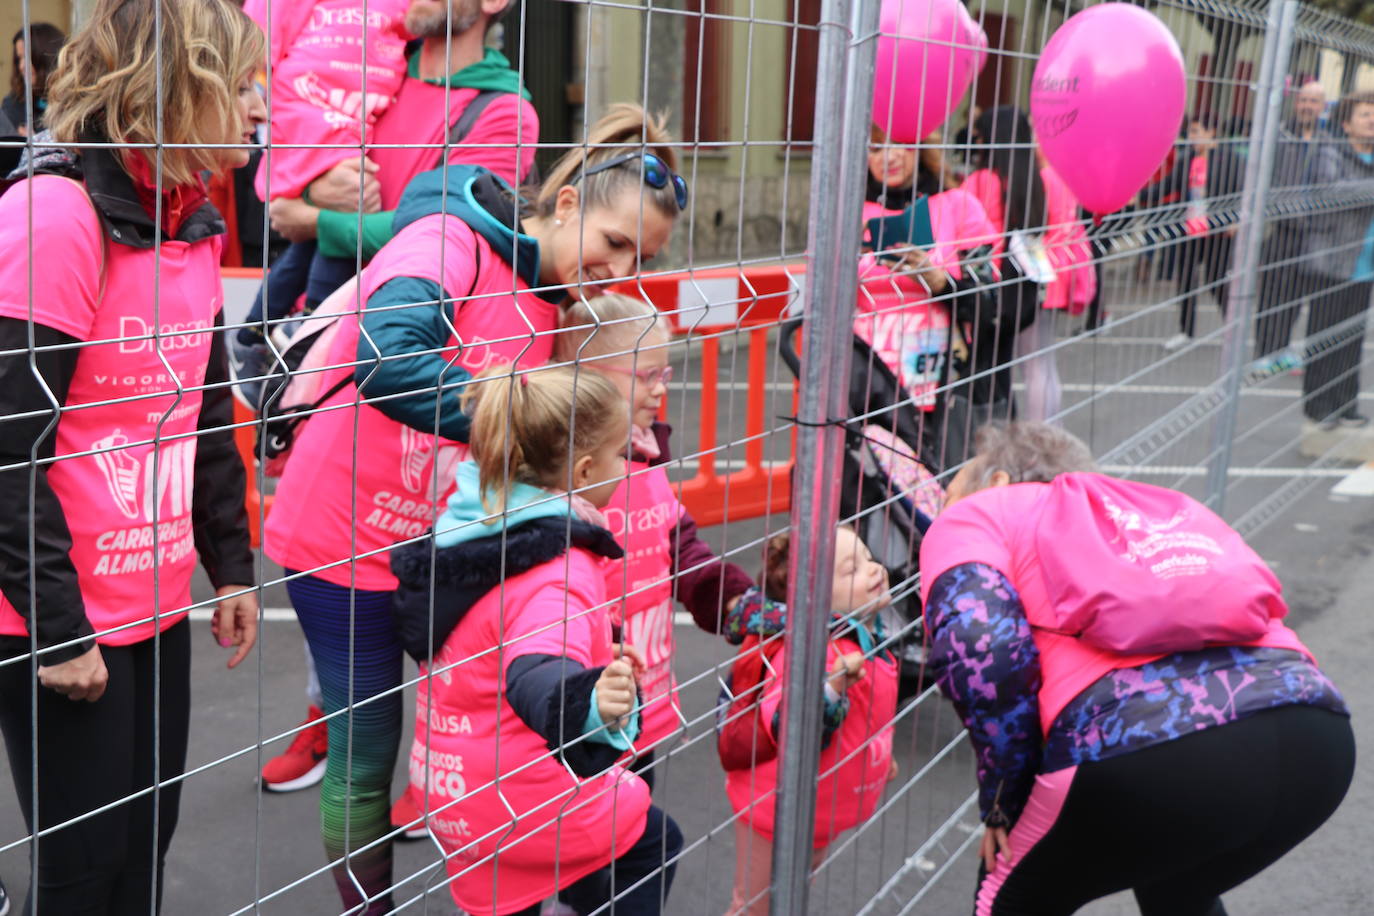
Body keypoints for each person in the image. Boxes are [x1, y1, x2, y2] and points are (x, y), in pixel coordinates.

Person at [260, 104, 685, 913]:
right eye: (616, 242)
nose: (621, 268)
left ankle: (506, 884)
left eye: (644, 257)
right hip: (341, 538)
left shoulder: (553, 291)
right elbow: (390, 359)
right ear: (565, 205)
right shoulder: (451, 240)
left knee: (476, 734)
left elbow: (595, 394)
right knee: (369, 745)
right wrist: (525, 417)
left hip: (440, 549)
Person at [0, 1, 264, 911]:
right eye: (238, 83)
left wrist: (230, 567)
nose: (258, 101)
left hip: (152, 604)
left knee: (141, 853)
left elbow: (200, 409)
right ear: (176, 92)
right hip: (56, 617)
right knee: (80, 876)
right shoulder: (56, 215)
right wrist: (58, 629)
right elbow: (6, 451)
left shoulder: (191, 219)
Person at [919, 422, 1354, 915]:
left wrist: (1004, 797)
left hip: (1149, 749)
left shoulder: (980, 514)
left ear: (995, 480)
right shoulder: (1142, 507)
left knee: (1009, 897)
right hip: (1315, 735)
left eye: (947, 491)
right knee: (1177, 886)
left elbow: (983, 653)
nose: (940, 505)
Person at [390, 363, 683, 916]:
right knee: (653, 844)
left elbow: (498, 642)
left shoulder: (470, 530)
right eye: (623, 453)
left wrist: (593, 653)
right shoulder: (561, 569)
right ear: (587, 468)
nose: (630, 463)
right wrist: (586, 699)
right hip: (530, 801)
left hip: (455, 792)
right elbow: (534, 669)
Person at [232, 0, 538, 407]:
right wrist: (310, 191)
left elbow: (445, 233)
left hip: (403, 355)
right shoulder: (376, 74)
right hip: (307, 344)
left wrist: (313, 220)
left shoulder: (505, 112)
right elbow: (311, 148)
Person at [553, 294, 755, 771]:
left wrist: (732, 600)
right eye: (646, 376)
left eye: (664, 374)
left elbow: (678, 545)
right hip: (589, 704)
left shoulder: (645, 450)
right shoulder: (561, 476)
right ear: (589, 376)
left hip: (645, 698)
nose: (660, 390)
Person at [721, 527, 899, 916]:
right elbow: (787, 724)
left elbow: (872, 712)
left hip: (817, 811)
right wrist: (832, 687)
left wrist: (883, 754)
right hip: (776, 813)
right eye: (852, 570)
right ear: (813, 598)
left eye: (868, 557)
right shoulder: (809, 650)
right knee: (757, 906)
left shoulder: (866, 635)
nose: (874, 570)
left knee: (791, 892)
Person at [859, 124, 1000, 467]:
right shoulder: (846, 211)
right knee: (868, 502)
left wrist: (940, 283)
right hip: (866, 387)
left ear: (922, 147)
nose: (888, 157)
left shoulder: (958, 206)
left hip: (942, 388)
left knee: (942, 500)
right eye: (876, 148)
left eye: (901, 145)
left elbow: (992, 297)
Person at [963, 107, 1095, 424]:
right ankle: (1049, 433)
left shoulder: (982, 181)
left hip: (997, 284)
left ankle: (1034, 436)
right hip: (1038, 276)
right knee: (1041, 364)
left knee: (1004, 366)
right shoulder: (1041, 178)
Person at [1299, 91, 1374, 429]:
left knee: (1352, 338)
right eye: (1364, 114)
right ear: (1346, 124)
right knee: (1324, 336)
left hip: (1364, 265)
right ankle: (1318, 405)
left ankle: (1346, 403)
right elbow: (1331, 192)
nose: (1371, 120)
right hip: (1332, 263)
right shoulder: (1330, 152)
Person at [1254, 80, 1333, 369]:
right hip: (1280, 229)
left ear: (1322, 107)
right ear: (1295, 103)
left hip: (1313, 233)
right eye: (1303, 101)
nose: (1307, 107)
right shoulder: (1278, 136)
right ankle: (1265, 352)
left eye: (1314, 102)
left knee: (1296, 295)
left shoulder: (1328, 141)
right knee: (1272, 294)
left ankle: (1284, 348)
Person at [1160, 112, 1244, 352]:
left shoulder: (1229, 160)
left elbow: (1241, 190)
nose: (1193, 137)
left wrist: (1235, 220)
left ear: (1211, 132)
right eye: (1191, 132)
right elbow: (1167, 186)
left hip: (1218, 231)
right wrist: (1136, 196)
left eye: (1197, 132)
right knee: (1186, 280)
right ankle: (1186, 331)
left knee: (1216, 280)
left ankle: (1232, 327)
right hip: (1190, 229)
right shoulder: (1187, 160)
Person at [2, 22, 65, 137]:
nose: (21, 66)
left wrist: (37, 142)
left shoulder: (75, 101)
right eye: (19, 58)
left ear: (48, 56)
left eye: (27, 57)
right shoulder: (14, 103)